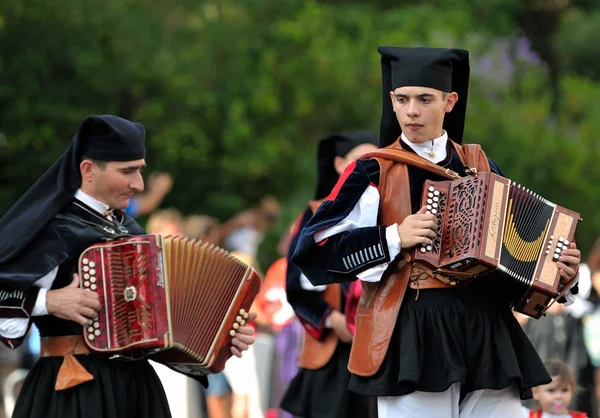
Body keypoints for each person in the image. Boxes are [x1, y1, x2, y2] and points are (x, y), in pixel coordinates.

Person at [291, 46, 581, 418]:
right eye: (402, 99)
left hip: (485, 330)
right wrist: (394, 237)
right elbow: (312, 252)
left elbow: (510, 253)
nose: (411, 110)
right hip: (413, 332)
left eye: (425, 99)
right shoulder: (372, 171)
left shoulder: (478, 163)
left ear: (450, 101)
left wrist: (561, 276)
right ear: (392, 102)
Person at [0, 115, 256, 418]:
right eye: (127, 171)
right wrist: (49, 301)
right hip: (74, 390)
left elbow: (160, 331)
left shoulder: (132, 232)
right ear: (88, 170)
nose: (139, 184)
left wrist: (223, 334)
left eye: (140, 170)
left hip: (137, 390)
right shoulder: (51, 229)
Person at [280, 131, 378, 418]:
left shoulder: (388, 211)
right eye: (361, 160)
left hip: (378, 348)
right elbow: (294, 287)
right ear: (339, 164)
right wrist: (333, 320)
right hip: (334, 350)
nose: (370, 168)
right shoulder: (315, 213)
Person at [521, 359, 588, 418]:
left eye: (564, 390)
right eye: (551, 390)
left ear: (572, 391)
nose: (559, 396)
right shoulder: (525, 415)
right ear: (535, 392)